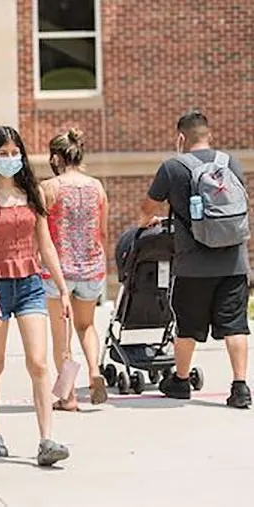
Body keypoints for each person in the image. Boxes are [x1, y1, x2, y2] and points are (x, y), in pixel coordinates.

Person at [0, 126, 72, 467]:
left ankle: (47, 439)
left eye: (15, 152)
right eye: (3, 153)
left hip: (29, 284)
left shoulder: (33, 192)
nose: (10, 159)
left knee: (39, 363)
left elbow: (46, 244)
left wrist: (62, 287)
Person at [139, 110, 250, 408]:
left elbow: (148, 206)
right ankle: (240, 387)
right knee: (236, 325)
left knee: (187, 326)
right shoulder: (231, 163)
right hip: (234, 262)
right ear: (208, 134)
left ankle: (181, 381)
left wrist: (145, 221)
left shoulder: (173, 167)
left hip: (193, 266)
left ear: (181, 137)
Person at [40, 128, 109, 409]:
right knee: (87, 325)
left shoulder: (49, 188)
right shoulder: (97, 186)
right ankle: (94, 370)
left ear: (56, 157)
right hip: (92, 267)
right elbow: (103, 231)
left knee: (62, 334)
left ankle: (67, 397)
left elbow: (41, 234)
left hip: (59, 271)